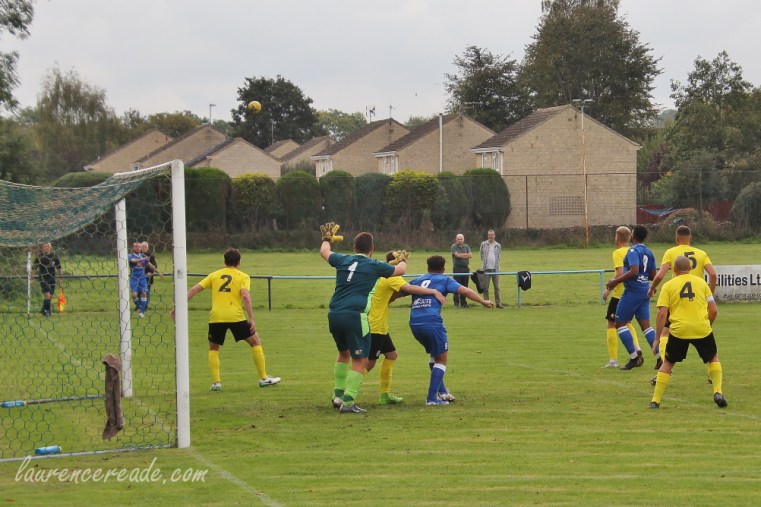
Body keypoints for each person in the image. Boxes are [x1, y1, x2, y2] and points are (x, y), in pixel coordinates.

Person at [320, 224, 408, 414]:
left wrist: (327, 238)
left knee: (343, 353)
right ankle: (348, 402)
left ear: (354, 248)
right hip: (355, 315)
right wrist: (401, 259)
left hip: (334, 313)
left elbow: (324, 251)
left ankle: (337, 396)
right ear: (372, 249)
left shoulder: (343, 259)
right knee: (360, 360)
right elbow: (400, 270)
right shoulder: (374, 265)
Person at [173, 247, 280, 391]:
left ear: (224, 261)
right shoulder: (243, 276)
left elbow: (193, 290)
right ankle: (263, 378)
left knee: (213, 348)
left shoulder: (214, 275)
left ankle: (216, 383)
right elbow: (245, 296)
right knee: (255, 342)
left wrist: (177, 307)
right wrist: (251, 318)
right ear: (239, 262)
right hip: (235, 316)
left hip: (216, 317)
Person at [407, 255, 494, 405]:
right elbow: (465, 291)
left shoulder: (417, 280)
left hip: (415, 323)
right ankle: (431, 399)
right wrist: (482, 301)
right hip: (432, 322)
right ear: (443, 269)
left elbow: (396, 292)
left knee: (435, 355)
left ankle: (443, 392)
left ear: (427, 267)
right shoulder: (444, 280)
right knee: (442, 359)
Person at [366, 251, 447, 405]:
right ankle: (347, 394)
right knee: (368, 363)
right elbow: (409, 289)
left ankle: (384, 395)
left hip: (379, 324)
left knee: (391, 355)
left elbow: (392, 296)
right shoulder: (392, 276)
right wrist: (433, 291)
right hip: (375, 325)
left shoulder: (381, 276)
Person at [649, 256, 727, 409]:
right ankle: (718, 392)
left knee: (668, 362)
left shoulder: (668, 285)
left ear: (674, 269)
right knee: (712, 358)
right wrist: (708, 325)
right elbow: (713, 310)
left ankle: (655, 401)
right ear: (690, 269)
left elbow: (662, 314)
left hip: (679, 330)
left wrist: (657, 338)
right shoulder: (702, 283)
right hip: (701, 328)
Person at [648, 225, 717, 385]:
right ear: (690, 238)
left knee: (665, 334)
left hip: (678, 301)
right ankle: (712, 373)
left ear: (676, 239)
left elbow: (660, 275)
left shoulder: (671, 252)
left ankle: (664, 370)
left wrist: (652, 288)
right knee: (706, 339)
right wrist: (709, 296)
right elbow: (713, 274)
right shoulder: (701, 253)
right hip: (698, 301)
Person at [605, 225, 658, 370]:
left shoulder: (633, 251)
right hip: (645, 290)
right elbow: (653, 275)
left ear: (633, 235)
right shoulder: (649, 251)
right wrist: (648, 283)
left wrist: (614, 282)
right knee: (646, 326)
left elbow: (633, 271)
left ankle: (634, 357)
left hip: (632, 292)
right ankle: (660, 357)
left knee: (619, 323)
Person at [601, 226, 641, 368]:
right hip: (634, 292)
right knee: (627, 322)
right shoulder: (635, 251)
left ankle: (613, 360)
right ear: (629, 238)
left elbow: (620, 273)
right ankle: (637, 347)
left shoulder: (618, 252)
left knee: (611, 323)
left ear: (617, 238)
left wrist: (609, 289)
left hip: (620, 294)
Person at [34, 242, 61, 317]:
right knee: (48, 295)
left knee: (51, 296)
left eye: (47, 246)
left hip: (52, 278)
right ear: (42, 248)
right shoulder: (40, 257)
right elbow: (34, 268)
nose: (46, 248)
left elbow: (59, 268)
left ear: (50, 247)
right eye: (44, 246)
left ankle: (43, 309)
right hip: (43, 278)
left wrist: (60, 278)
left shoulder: (54, 256)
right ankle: (47, 312)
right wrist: (31, 278)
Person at [128, 241, 155, 318]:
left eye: (139, 247)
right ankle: (139, 307)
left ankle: (141, 312)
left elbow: (150, 265)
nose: (137, 248)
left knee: (144, 293)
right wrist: (143, 259)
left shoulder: (144, 256)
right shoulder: (130, 255)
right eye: (135, 246)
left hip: (142, 278)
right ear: (133, 248)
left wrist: (153, 268)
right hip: (134, 278)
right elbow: (133, 261)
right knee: (134, 295)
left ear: (140, 248)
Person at [479, 229, 504, 308]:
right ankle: (487, 303)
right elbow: (481, 254)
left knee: (497, 288)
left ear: (494, 235)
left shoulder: (498, 245)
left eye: (492, 235)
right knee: (485, 288)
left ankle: (498, 303)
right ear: (488, 235)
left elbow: (499, 256)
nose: (490, 236)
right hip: (486, 269)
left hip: (495, 269)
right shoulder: (483, 244)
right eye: (489, 235)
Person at [450, 233, 472, 308]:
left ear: (463, 239)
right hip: (457, 268)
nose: (460, 240)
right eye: (458, 239)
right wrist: (466, 255)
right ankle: (456, 303)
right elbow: (457, 255)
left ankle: (463, 303)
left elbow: (470, 255)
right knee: (456, 286)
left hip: (466, 268)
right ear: (456, 239)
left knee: (465, 286)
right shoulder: (453, 246)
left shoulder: (466, 246)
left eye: (461, 239)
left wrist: (461, 255)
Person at [140, 241, 163, 311]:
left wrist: (151, 272)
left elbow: (154, 266)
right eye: (142, 247)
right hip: (138, 276)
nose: (144, 248)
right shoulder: (137, 255)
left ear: (147, 247)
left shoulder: (151, 256)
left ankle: (145, 306)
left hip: (148, 277)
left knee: (146, 291)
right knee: (138, 292)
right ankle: (138, 306)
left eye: (145, 247)